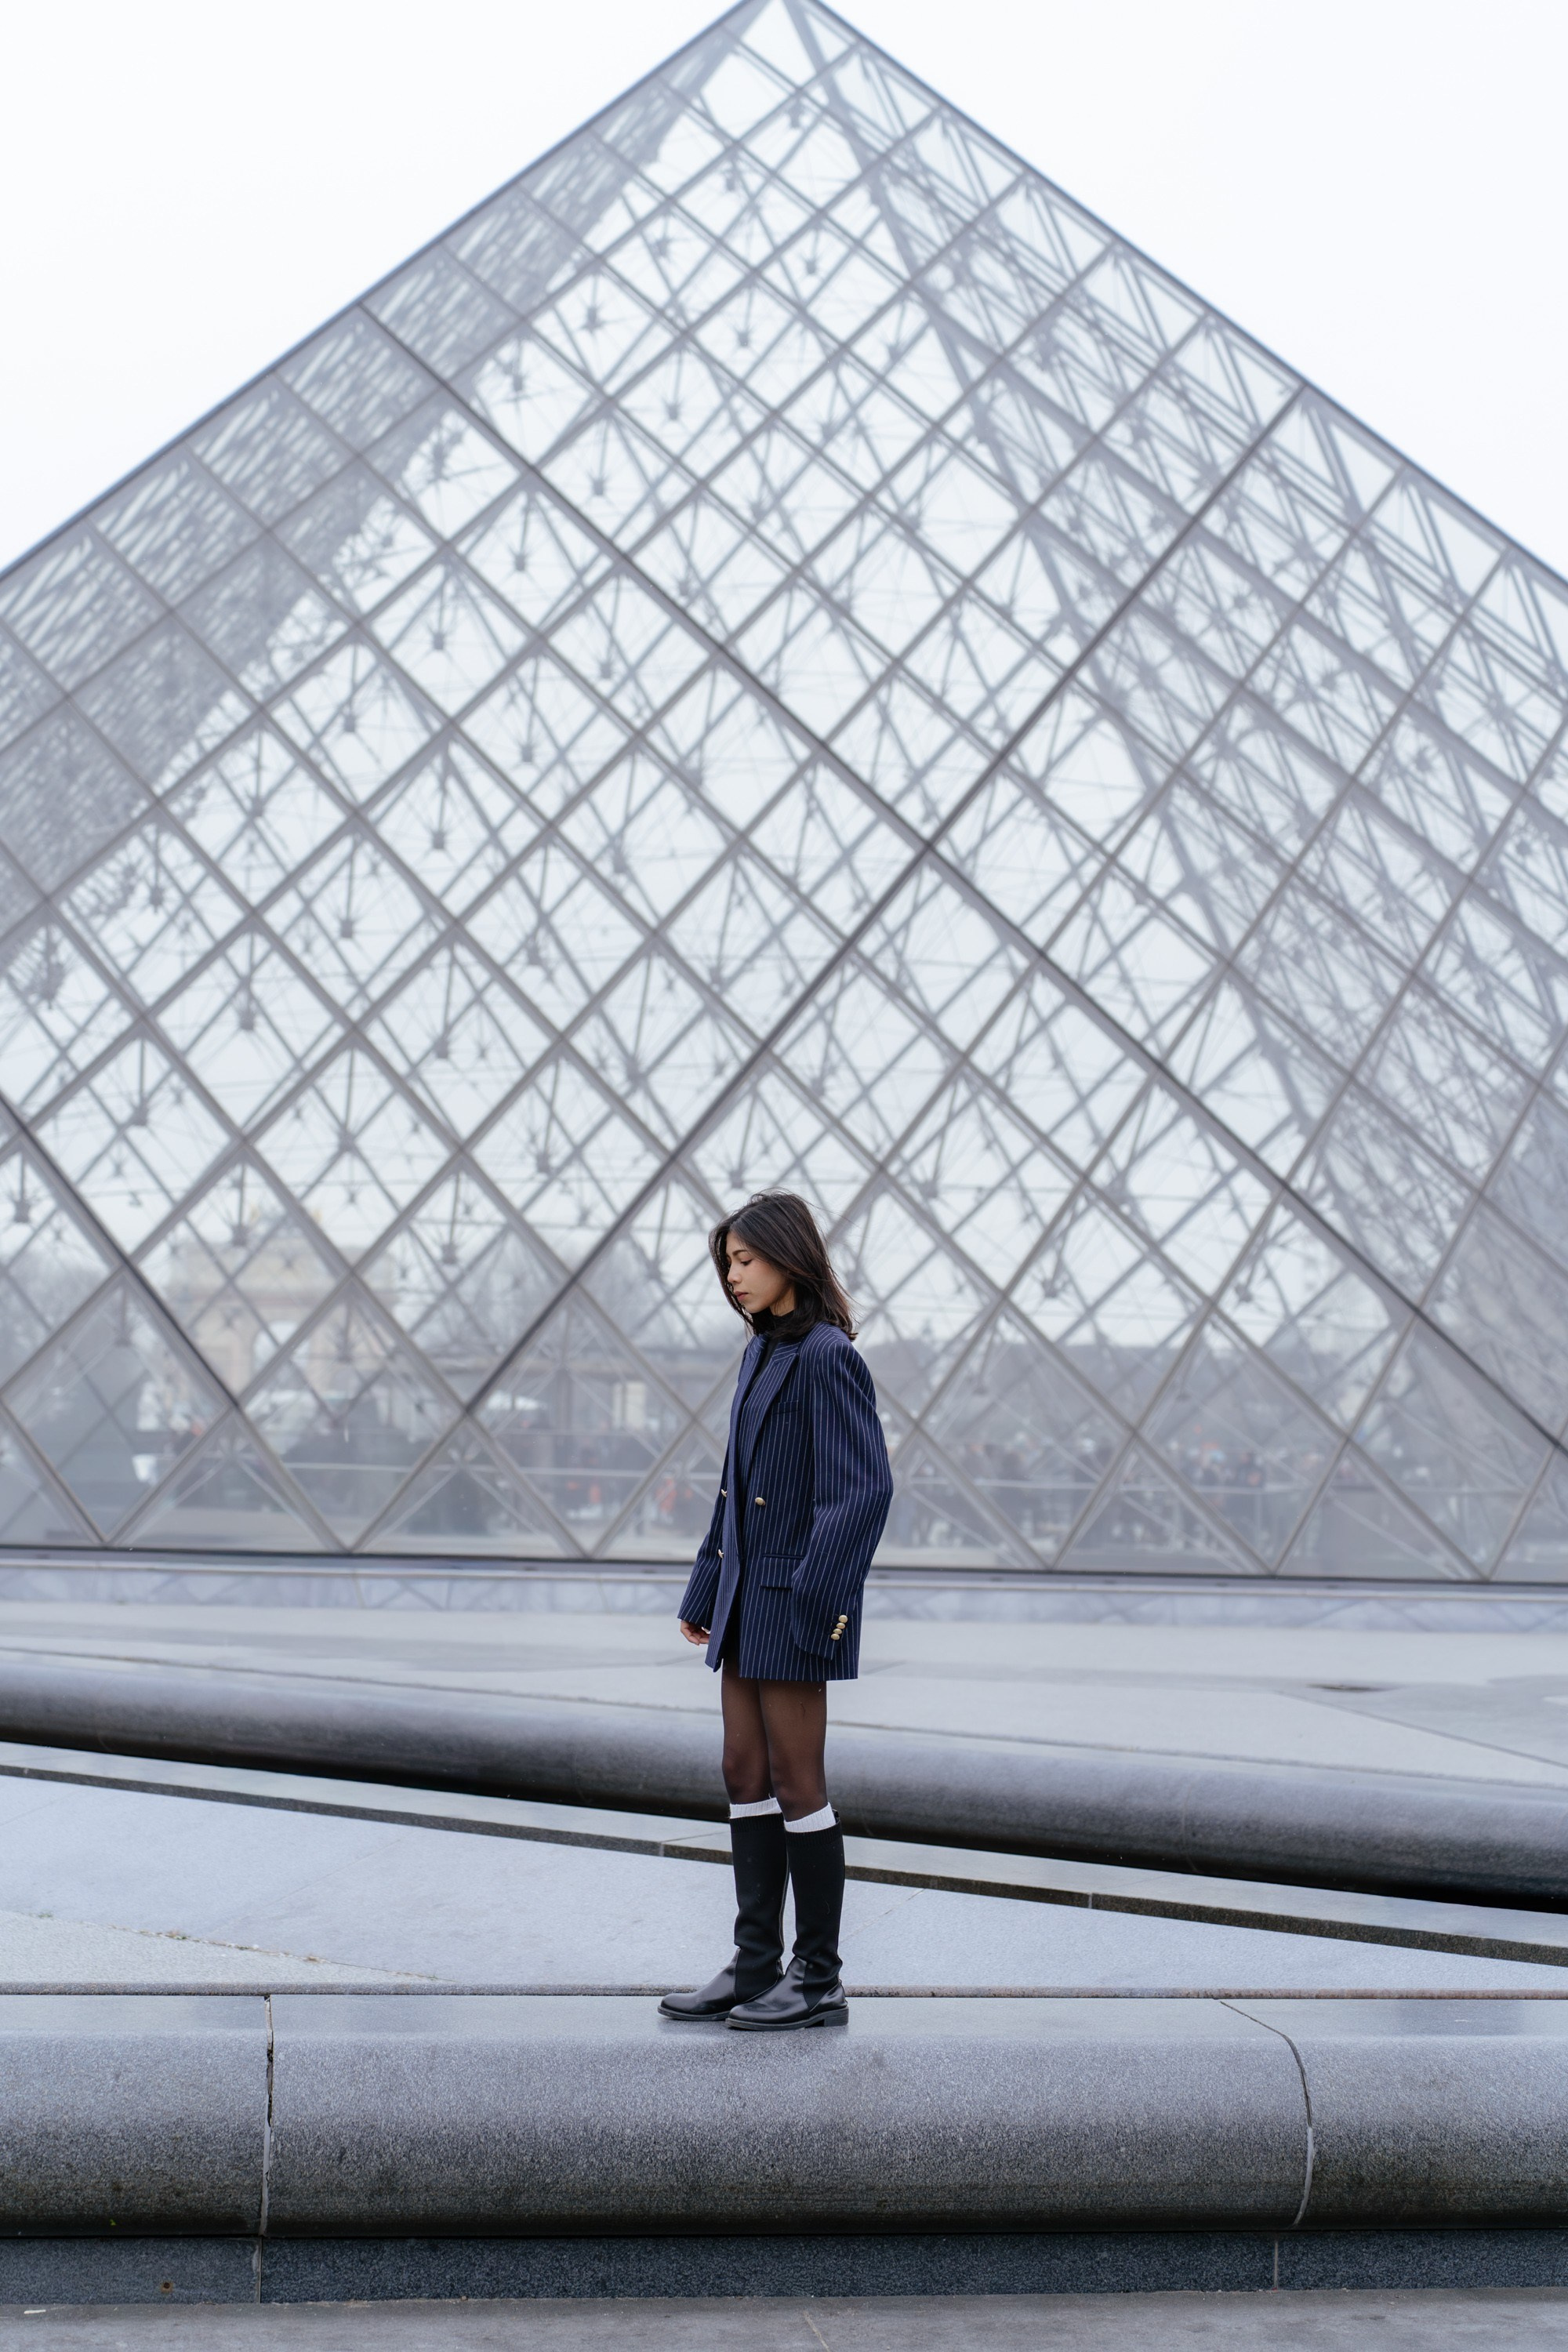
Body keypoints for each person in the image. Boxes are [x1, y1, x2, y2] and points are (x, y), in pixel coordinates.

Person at [659, 1192, 892, 2032]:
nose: (732, 1278)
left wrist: (817, 1603)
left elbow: (861, 1493)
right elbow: (734, 1495)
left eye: (745, 1261)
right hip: (744, 1601)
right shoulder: (760, 1354)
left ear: (789, 1257)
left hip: (795, 1602)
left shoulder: (828, 1357)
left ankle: (818, 1977)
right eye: (726, 1263)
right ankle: (756, 1963)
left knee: (798, 1785)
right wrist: (702, 1592)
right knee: (742, 1775)